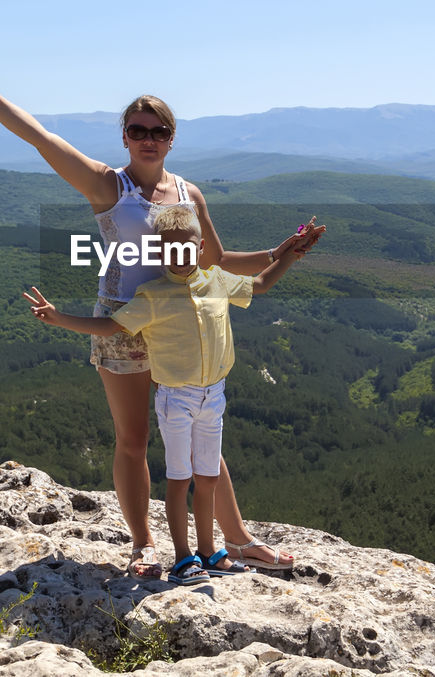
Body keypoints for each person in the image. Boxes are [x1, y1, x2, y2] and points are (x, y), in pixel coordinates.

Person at [0, 48, 324, 577]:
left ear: (171, 138)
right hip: (123, 320)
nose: (148, 138)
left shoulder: (189, 194)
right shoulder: (107, 185)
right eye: (138, 129)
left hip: (181, 319)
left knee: (199, 428)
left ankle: (235, 539)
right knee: (134, 439)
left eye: (158, 130)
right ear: (124, 136)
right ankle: (144, 544)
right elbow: (40, 138)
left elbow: (214, 259)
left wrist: (283, 252)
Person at [23, 204, 305, 584]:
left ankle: (209, 552)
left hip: (214, 397)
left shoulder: (217, 281)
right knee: (179, 477)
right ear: (159, 253)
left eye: (187, 248)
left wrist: (288, 254)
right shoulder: (152, 296)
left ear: (200, 246)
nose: (180, 255)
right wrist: (60, 318)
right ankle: (183, 557)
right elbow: (109, 326)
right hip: (177, 398)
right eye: (170, 250)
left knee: (207, 477)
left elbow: (260, 284)